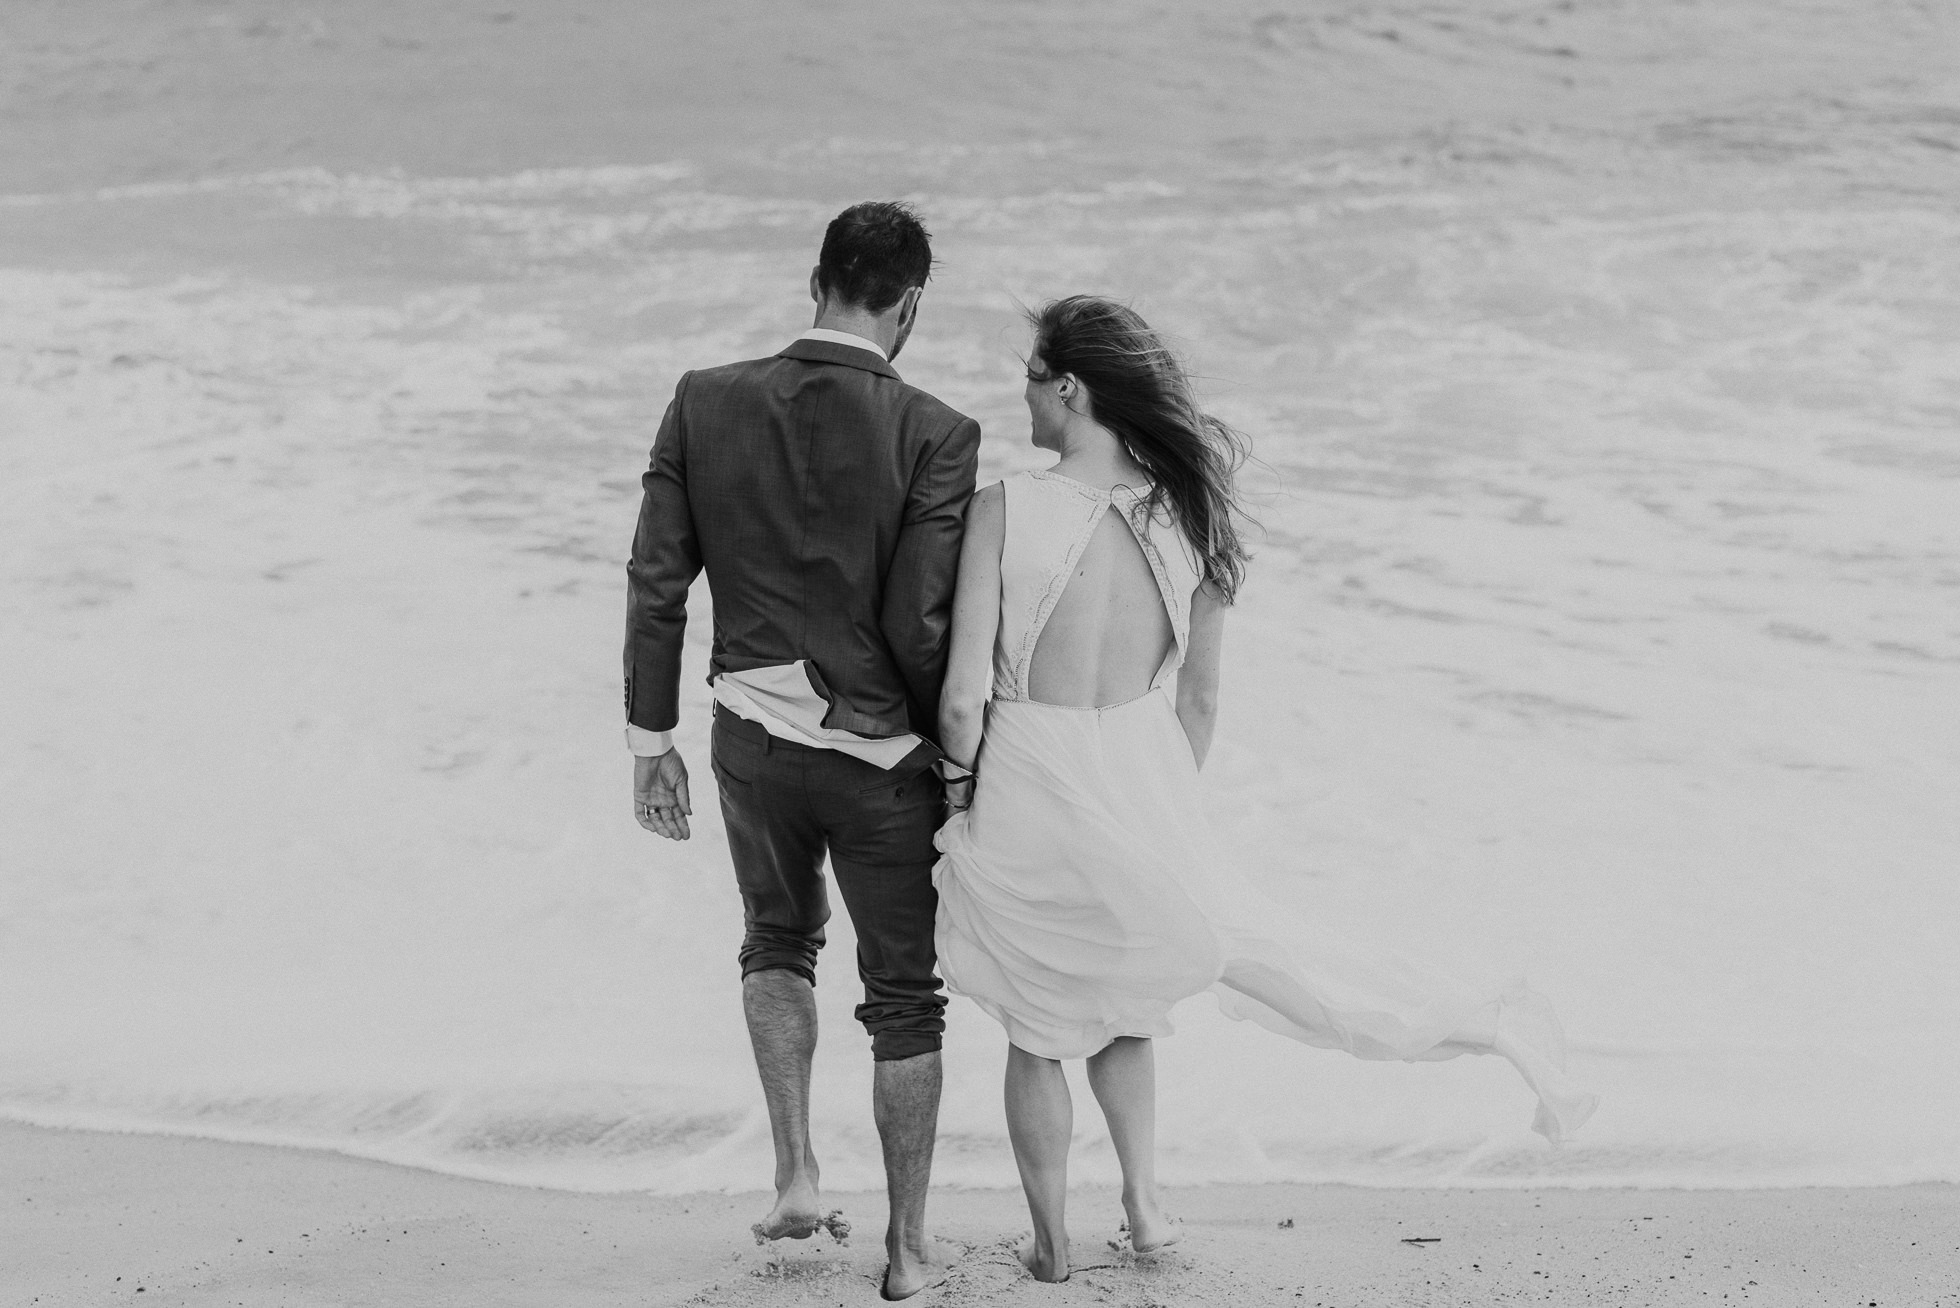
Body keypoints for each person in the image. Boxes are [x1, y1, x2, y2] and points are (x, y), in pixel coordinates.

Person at [931, 295, 1599, 1283]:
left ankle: (1052, 1247)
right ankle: (1148, 1214)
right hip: (1141, 775)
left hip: (1030, 771)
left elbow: (958, 703)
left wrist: (955, 801)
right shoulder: (1191, 522)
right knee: (1122, 1009)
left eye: (1030, 380)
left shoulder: (1003, 507)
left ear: (1068, 389)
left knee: (1038, 1027)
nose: (1022, 399)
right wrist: (1156, 809)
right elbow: (1198, 703)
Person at [623, 201, 979, 1300]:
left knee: (774, 943)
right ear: (910, 304)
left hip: (747, 744)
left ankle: (793, 1175)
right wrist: (949, 757)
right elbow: (922, 623)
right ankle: (909, 1246)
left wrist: (652, 742)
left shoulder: (705, 398)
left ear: (812, 278)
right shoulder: (937, 431)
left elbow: (656, 581)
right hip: (882, 766)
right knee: (903, 997)